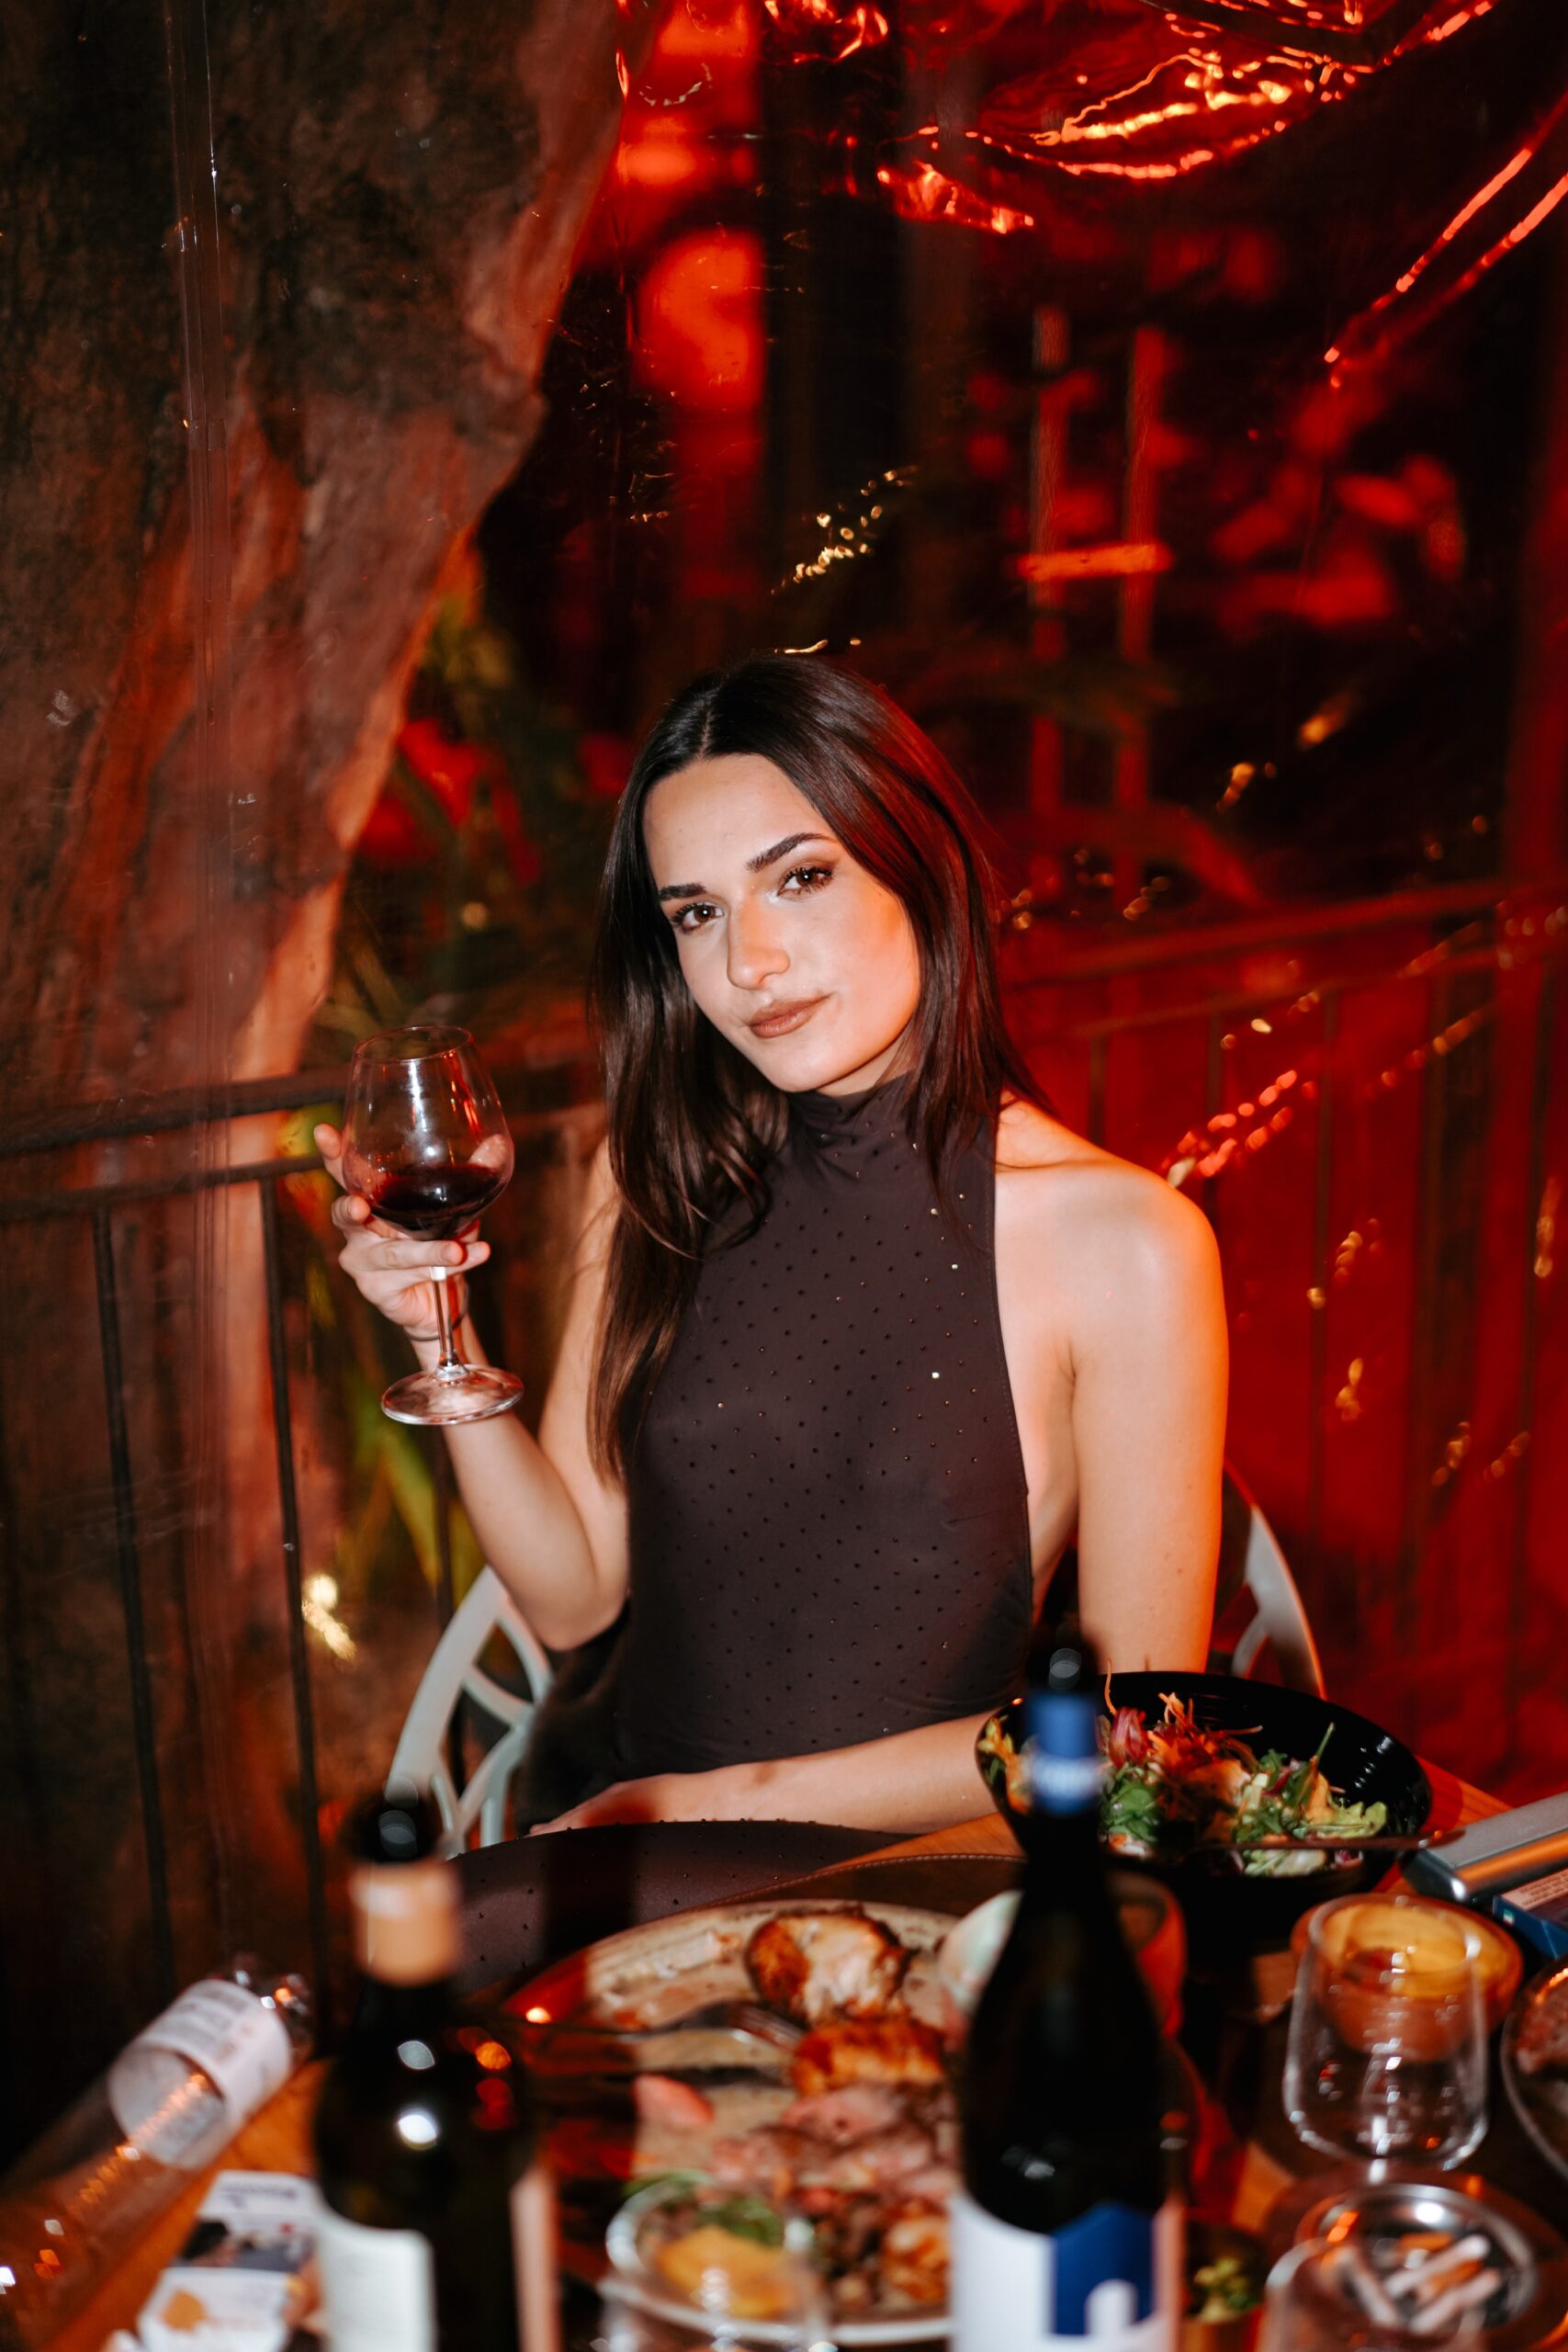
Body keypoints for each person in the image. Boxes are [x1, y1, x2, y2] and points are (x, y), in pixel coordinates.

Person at [317, 656, 1226, 1837]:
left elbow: (1136, 1737)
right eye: (697, 912)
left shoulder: (1127, 1242)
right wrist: (437, 1331)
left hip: (919, 1870)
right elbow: (571, 1597)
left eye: (800, 878)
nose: (749, 962)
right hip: (628, 1831)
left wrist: (718, 1806)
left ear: (921, 870)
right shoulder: (651, 1176)